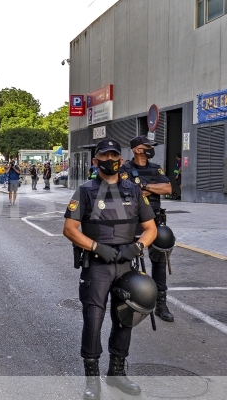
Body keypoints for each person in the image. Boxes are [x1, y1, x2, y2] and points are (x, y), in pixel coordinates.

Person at [63, 139, 157, 400]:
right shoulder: (85, 191)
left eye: (115, 154)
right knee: (93, 321)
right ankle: (92, 381)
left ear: (120, 158)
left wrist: (136, 248)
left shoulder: (133, 190)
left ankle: (116, 374)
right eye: (105, 155)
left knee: (125, 319)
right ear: (96, 161)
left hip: (126, 264)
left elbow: (151, 228)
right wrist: (96, 247)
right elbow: (69, 229)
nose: (110, 159)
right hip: (97, 266)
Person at [119, 136, 174, 322]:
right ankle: (131, 299)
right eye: (146, 146)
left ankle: (161, 303)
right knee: (129, 260)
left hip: (154, 218)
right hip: (132, 220)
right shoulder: (124, 170)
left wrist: (143, 186)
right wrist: (150, 189)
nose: (150, 149)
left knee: (159, 261)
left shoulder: (155, 168)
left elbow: (167, 188)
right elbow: (128, 192)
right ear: (136, 150)